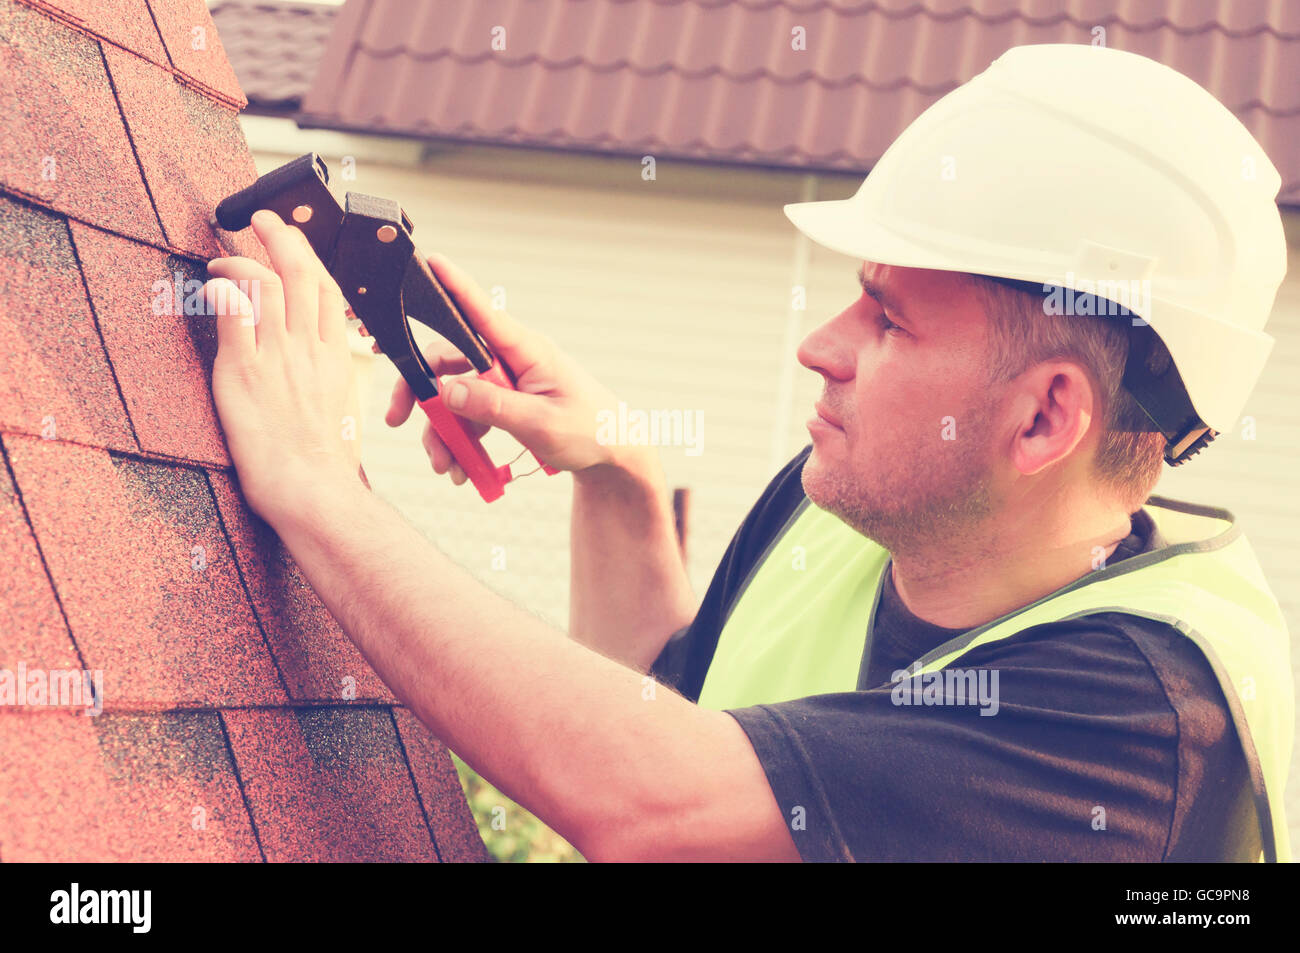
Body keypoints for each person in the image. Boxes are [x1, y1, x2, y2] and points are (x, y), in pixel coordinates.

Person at [203, 44, 1292, 861]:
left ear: (1045, 419)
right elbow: (667, 712)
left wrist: (313, 481)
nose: (824, 348)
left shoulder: (1137, 723)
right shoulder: (850, 509)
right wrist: (618, 477)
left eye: (888, 320)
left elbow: (650, 797)